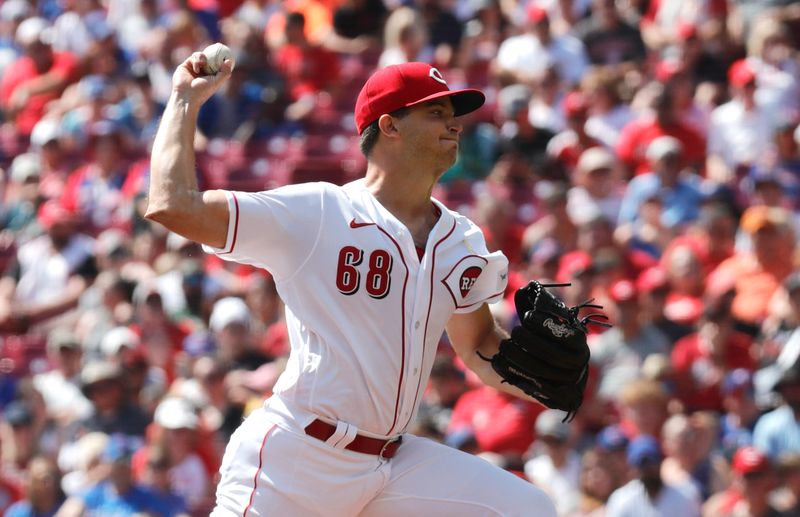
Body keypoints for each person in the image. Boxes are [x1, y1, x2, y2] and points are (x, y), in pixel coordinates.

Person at [146, 56, 558, 515]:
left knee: (527, 509)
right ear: (390, 126)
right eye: (436, 113)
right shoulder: (320, 212)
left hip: (393, 462)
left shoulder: (462, 238)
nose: (455, 126)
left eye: (453, 115)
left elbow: (479, 342)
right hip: (300, 457)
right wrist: (183, 99)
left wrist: (552, 380)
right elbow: (174, 205)